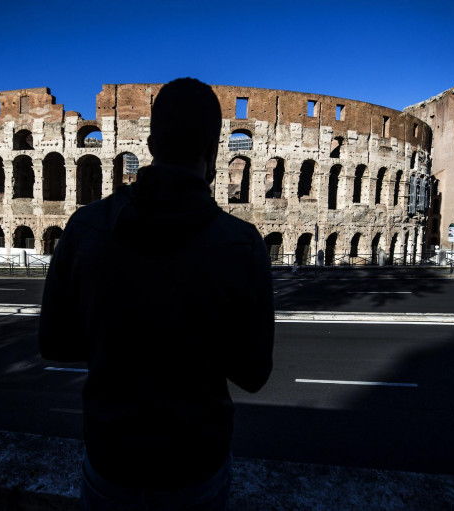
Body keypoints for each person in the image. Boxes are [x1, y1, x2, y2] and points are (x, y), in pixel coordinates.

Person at [38, 77, 274, 510]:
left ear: (149, 144)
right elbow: (254, 374)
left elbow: (53, 342)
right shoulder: (242, 244)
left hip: (112, 460)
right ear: (216, 150)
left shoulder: (85, 227)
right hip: (194, 467)